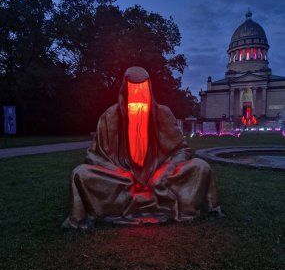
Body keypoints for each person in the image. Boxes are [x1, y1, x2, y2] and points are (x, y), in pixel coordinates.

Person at [62, 66, 222, 229]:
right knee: (80, 173)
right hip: (123, 181)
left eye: (143, 91)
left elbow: (182, 150)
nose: (138, 97)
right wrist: (119, 172)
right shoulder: (109, 117)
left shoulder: (163, 114)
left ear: (150, 90)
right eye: (133, 91)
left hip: (160, 181)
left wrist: (164, 171)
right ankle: (145, 201)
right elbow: (93, 156)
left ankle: (133, 202)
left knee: (201, 167)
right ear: (124, 92)